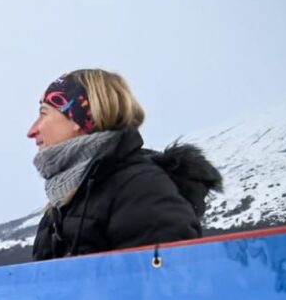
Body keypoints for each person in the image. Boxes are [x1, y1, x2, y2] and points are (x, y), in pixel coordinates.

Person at [27, 69, 222, 259]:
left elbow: (164, 275)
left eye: (43, 113)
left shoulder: (141, 189)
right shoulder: (64, 199)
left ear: (76, 118)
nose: (31, 131)